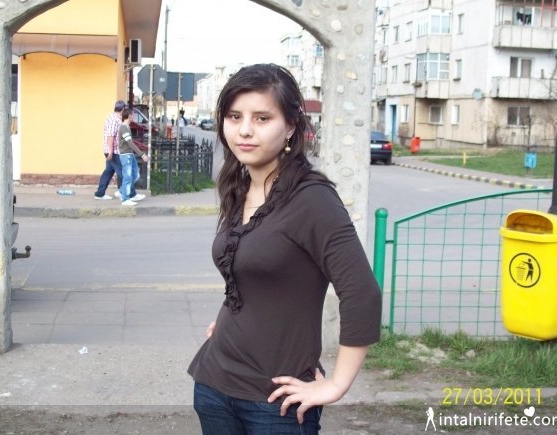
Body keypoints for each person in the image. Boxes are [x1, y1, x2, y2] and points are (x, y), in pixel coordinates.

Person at [187, 63, 382, 434]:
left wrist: (336, 384)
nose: (245, 130)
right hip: (214, 384)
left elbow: (362, 294)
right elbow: (250, 272)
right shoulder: (239, 186)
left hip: (275, 401)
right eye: (234, 116)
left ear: (291, 126)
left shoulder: (312, 198)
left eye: (262, 118)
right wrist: (231, 319)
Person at [94, 100, 145, 202]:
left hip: (112, 150)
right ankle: (130, 194)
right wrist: (111, 152)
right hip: (114, 151)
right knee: (124, 173)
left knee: (108, 171)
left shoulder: (113, 117)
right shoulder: (114, 119)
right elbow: (111, 136)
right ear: (122, 109)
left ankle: (100, 193)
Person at [117, 108, 149, 206]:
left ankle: (124, 192)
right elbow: (130, 143)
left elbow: (130, 142)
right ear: (129, 116)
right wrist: (142, 154)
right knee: (127, 177)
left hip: (130, 154)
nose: (133, 117)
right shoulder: (123, 128)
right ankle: (125, 199)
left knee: (135, 175)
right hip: (125, 155)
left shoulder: (127, 127)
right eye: (133, 115)